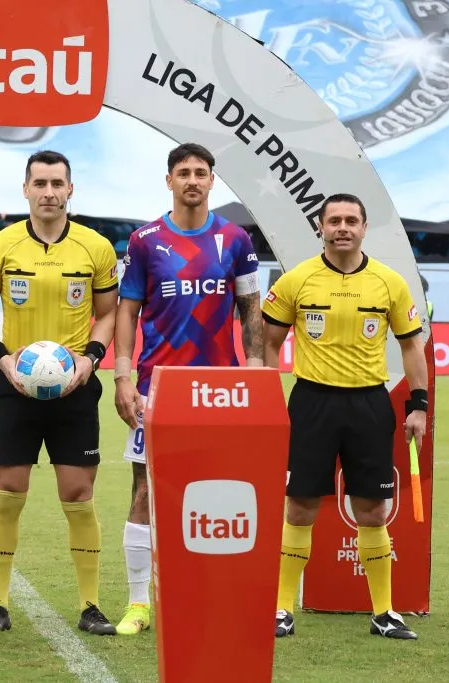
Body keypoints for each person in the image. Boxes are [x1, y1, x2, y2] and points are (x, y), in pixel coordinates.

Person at [112, 142, 264, 635]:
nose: (192, 180)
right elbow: (128, 312)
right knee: (144, 491)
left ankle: (209, 598)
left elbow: (251, 310)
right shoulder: (145, 241)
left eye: (201, 172)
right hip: (158, 388)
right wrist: (122, 375)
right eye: (184, 172)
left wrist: (257, 372)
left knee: (220, 493)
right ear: (169, 181)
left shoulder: (236, 239)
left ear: (212, 180)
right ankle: (139, 605)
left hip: (221, 390)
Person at [262, 193, 428, 640]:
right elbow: (268, 342)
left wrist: (419, 404)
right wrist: (266, 394)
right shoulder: (298, 279)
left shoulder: (389, 282)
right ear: (321, 227)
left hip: (369, 405)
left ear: (364, 228)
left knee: (372, 510)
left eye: (351, 220)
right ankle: (280, 610)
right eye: (333, 220)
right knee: (300, 506)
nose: (342, 227)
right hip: (311, 403)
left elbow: (412, 345)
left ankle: (384, 613)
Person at [0, 150, 119, 635]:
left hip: (75, 388)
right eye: (41, 183)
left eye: (58, 183)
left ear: (71, 189)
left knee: (79, 494)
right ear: (26, 189)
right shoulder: (1, 245)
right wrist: (4, 359)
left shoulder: (95, 247)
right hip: (16, 387)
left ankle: (91, 605)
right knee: (8, 492)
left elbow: (110, 311)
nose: (49, 191)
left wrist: (90, 358)